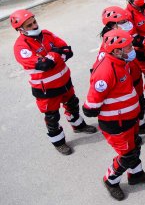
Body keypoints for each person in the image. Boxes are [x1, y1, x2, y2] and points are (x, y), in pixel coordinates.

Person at [83, 29, 145, 200]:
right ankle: (110, 180)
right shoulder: (106, 71)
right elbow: (92, 103)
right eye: (128, 47)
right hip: (116, 124)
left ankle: (136, 175)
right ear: (117, 50)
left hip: (128, 119)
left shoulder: (119, 61)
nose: (132, 49)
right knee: (127, 155)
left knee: (135, 146)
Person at [11, 9, 97, 155]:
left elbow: (68, 51)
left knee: (72, 104)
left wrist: (52, 57)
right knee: (52, 117)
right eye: (29, 25)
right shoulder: (21, 46)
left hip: (64, 81)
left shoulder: (47, 34)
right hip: (46, 89)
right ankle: (58, 142)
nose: (34, 26)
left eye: (34, 22)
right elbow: (44, 65)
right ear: (20, 29)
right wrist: (57, 53)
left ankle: (78, 126)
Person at [98, 6, 145, 136]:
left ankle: (141, 124)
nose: (127, 24)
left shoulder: (123, 36)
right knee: (129, 108)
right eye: (123, 22)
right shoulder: (107, 47)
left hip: (135, 75)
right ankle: (133, 133)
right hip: (124, 82)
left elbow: (135, 44)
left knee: (140, 102)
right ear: (113, 25)